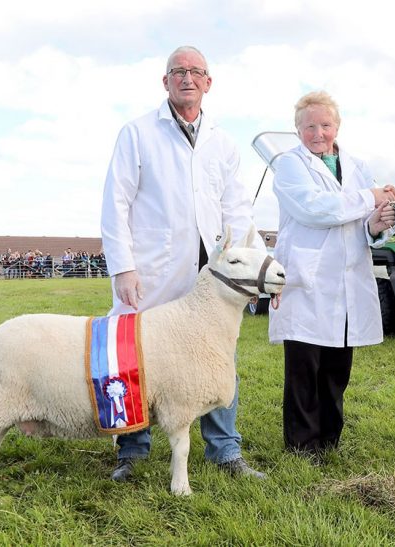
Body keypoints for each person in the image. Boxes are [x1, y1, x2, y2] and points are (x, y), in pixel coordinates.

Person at [101, 45, 266, 482]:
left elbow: (238, 210)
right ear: (166, 81)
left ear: (208, 82)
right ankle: (132, 452)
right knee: (135, 352)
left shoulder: (223, 142)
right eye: (178, 71)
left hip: (213, 276)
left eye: (196, 72)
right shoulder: (137, 133)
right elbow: (115, 202)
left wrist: (255, 267)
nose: (187, 78)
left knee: (217, 355)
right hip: (152, 268)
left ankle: (225, 450)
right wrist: (122, 265)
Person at [269, 91, 395, 459]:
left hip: (348, 278)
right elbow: (315, 209)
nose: (318, 133)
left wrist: (376, 223)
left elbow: (363, 226)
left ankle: (329, 439)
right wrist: (371, 197)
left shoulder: (357, 167)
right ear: (297, 130)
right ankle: (301, 445)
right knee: (304, 368)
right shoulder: (289, 166)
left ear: (337, 126)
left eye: (325, 125)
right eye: (309, 126)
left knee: (336, 367)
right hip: (306, 279)